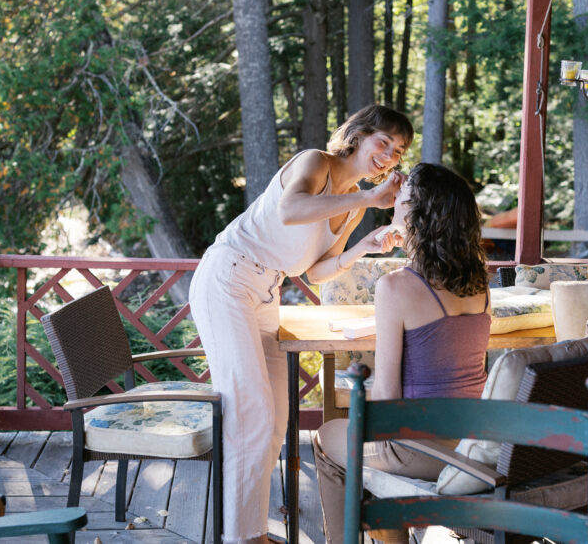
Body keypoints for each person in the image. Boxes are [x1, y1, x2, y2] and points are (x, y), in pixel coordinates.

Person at [188, 105, 415, 544]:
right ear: (359, 134)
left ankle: (249, 531)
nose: (388, 155)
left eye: (398, 151)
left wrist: (365, 245)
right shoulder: (317, 162)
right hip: (228, 277)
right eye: (383, 142)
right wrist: (369, 198)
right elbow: (291, 209)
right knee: (249, 409)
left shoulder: (351, 207)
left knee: (275, 418)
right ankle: (241, 538)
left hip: (266, 290)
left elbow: (316, 272)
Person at [311, 162, 491, 544]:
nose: (394, 204)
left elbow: (387, 401)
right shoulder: (480, 284)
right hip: (474, 444)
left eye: (403, 200)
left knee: (327, 438)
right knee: (359, 449)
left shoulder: (395, 287)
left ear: (419, 215)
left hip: (420, 448)